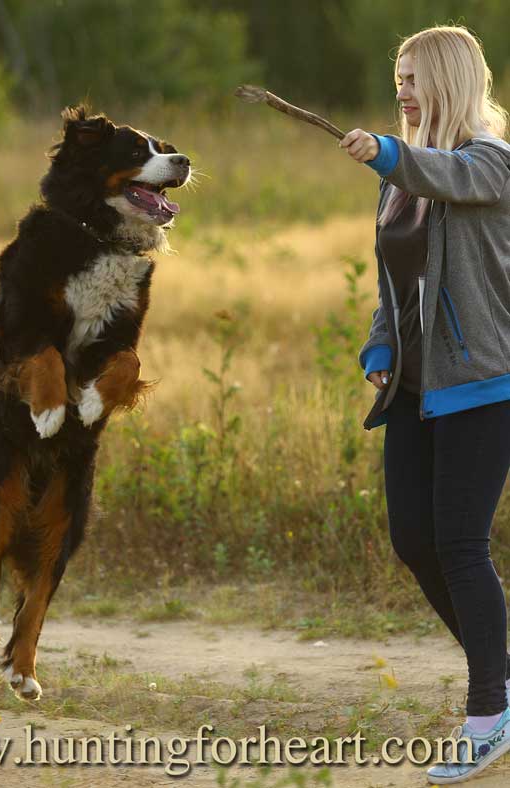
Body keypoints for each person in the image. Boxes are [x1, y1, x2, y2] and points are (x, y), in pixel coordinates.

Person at [339, 25, 510, 783]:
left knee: (460, 545)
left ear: (449, 80)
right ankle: (503, 674)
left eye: (414, 77)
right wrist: (381, 347)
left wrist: (386, 152)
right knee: (413, 539)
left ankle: (488, 715)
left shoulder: (489, 163)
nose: (402, 89)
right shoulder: (401, 176)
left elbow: (448, 174)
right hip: (414, 385)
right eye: (397, 75)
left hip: (482, 383)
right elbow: (393, 280)